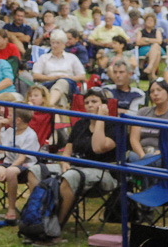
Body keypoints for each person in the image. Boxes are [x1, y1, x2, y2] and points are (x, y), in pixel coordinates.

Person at [54, 89, 118, 229]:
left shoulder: (115, 126)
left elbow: (98, 147)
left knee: (70, 176)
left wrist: (101, 119)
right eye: (87, 102)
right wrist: (64, 161)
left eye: (94, 101)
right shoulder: (80, 124)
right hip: (75, 167)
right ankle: (38, 220)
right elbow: (68, 150)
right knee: (37, 170)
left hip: (103, 173)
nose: (89, 105)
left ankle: (56, 226)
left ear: (104, 105)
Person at [0, 108, 39, 224]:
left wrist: (8, 170)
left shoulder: (30, 135)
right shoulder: (10, 131)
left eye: (9, 115)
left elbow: (22, 158)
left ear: (18, 120)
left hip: (26, 166)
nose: (6, 117)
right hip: (9, 163)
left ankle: (11, 209)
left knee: (11, 172)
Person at [128, 79, 168, 165]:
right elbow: (134, 139)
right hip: (140, 153)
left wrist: (161, 153)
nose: (155, 94)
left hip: (164, 155)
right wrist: (143, 157)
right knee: (132, 157)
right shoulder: (143, 112)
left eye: (159, 90)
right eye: (152, 91)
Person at [34, 31, 86, 108]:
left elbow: (82, 76)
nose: (54, 45)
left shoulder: (72, 57)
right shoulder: (44, 58)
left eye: (57, 43)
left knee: (62, 82)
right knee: (61, 97)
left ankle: (48, 105)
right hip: (48, 84)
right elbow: (35, 75)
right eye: (53, 43)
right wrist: (53, 78)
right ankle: (58, 117)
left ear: (64, 45)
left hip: (69, 86)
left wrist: (67, 77)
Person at [135, 13, 163, 79]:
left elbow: (159, 41)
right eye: (148, 20)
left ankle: (150, 67)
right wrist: (153, 40)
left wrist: (146, 40)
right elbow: (138, 42)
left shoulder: (157, 31)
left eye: (151, 20)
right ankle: (152, 74)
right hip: (144, 50)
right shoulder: (141, 31)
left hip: (156, 48)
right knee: (157, 51)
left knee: (156, 46)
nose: (149, 22)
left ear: (154, 23)